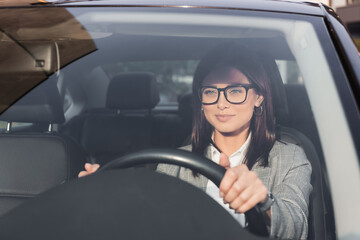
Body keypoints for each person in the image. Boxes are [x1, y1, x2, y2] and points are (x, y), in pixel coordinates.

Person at [79, 43, 312, 239]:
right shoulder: (173, 164)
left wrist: (263, 203)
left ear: (259, 97)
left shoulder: (289, 157)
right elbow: (151, 222)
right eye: (211, 92)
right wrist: (108, 196)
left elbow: (296, 223)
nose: (222, 103)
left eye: (235, 90)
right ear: (201, 100)